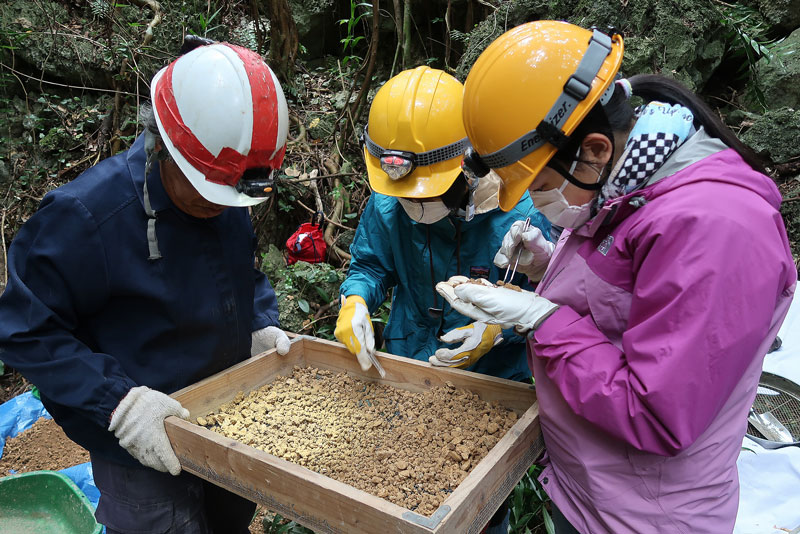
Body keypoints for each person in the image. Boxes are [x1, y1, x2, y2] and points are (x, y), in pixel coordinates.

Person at [436, 21, 797, 534]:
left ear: (596, 150)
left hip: (643, 515)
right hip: (591, 486)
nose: (538, 200)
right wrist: (544, 267)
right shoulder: (628, 188)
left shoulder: (718, 228)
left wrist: (543, 320)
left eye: (538, 184)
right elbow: (628, 297)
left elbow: (657, 412)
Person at [0, 40, 292, 534]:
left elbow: (245, 273)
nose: (218, 208)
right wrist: (118, 400)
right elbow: (25, 331)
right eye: (206, 195)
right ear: (161, 145)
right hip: (142, 447)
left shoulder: (224, 192)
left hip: (226, 425)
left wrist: (259, 323)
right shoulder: (86, 218)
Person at [334, 65, 550, 533]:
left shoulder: (525, 210)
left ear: (469, 164)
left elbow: (551, 298)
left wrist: (502, 327)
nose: (414, 205)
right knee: (395, 495)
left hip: (489, 384)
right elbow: (371, 265)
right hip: (407, 367)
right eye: (404, 196)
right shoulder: (391, 198)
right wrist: (355, 301)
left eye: (424, 195)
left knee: (478, 511)